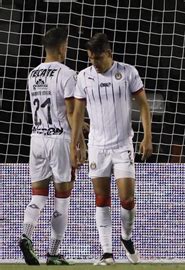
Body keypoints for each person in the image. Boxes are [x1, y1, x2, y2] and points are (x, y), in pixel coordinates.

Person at [70, 33, 153, 266]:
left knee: (127, 199)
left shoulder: (127, 73)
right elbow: (77, 113)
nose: (93, 63)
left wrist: (147, 137)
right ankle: (107, 252)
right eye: (90, 58)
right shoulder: (84, 77)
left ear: (109, 54)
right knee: (101, 198)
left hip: (122, 145)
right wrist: (75, 144)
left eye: (97, 58)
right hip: (98, 146)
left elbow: (144, 105)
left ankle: (126, 237)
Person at [20, 27, 85, 265]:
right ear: (61, 47)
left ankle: (26, 235)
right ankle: (54, 253)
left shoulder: (32, 74)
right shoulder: (67, 74)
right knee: (62, 198)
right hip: (59, 140)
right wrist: (80, 142)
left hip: (37, 137)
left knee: (37, 195)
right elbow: (70, 112)